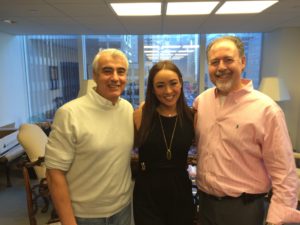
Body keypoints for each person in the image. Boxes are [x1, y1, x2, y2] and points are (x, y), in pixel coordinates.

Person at [193, 35, 300, 225]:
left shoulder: (267, 110)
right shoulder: (201, 102)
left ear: (242, 62)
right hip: (206, 206)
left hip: (244, 210)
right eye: (214, 62)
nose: (221, 67)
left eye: (228, 60)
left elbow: (285, 175)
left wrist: (275, 221)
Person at [45, 48, 134, 225]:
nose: (115, 78)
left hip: (123, 209)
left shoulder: (128, 109)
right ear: (95, 75)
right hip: (85, 216)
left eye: (121, 72)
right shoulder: (69, 113)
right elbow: (54, 173)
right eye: (107, 71)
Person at [133, 60, 195, 225]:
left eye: (173, 83)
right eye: (160, 85)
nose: (168, 91)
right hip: (147, 193)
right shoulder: (141, 115)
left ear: (181, 83)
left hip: (180, 190)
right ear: (152, 89)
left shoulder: (192, 117)